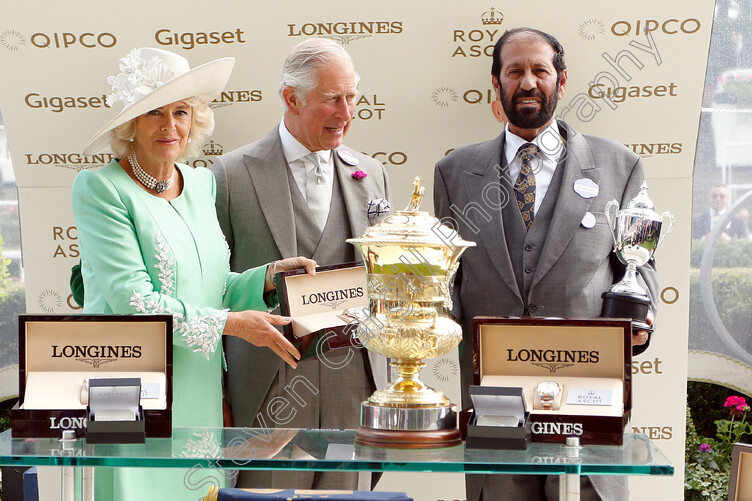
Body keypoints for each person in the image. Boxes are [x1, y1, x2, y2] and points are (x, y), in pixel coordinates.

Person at [73, 47, 315, 500]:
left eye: (180, 112)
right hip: (128, 392)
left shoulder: (201, 183)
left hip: (199, 388)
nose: (170, 126)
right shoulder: (101, 188)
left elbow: (211, 289)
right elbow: (136, 302)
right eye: (154, 113)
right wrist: (234, 324)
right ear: (130, 126)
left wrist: (265, 276)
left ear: (195, 118)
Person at [433, 28, 659, 501]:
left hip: (588, 388)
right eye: (514, 71)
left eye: (540, 70)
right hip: (493, 392)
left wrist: (642, 315)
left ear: (561, 79)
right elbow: (446, 276)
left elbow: (639, 264)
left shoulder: (619, 164)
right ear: (495, 82)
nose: (528, 81)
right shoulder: (454, 172)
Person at [211, 38, 391, 490]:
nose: (346, 112)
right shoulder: (230, 175)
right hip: (266, 386)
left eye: (352, 97)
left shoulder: (372, 173)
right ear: (291, 98)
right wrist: (217, 394)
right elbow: (211, 288)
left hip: (354, 382)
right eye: (332, 98)